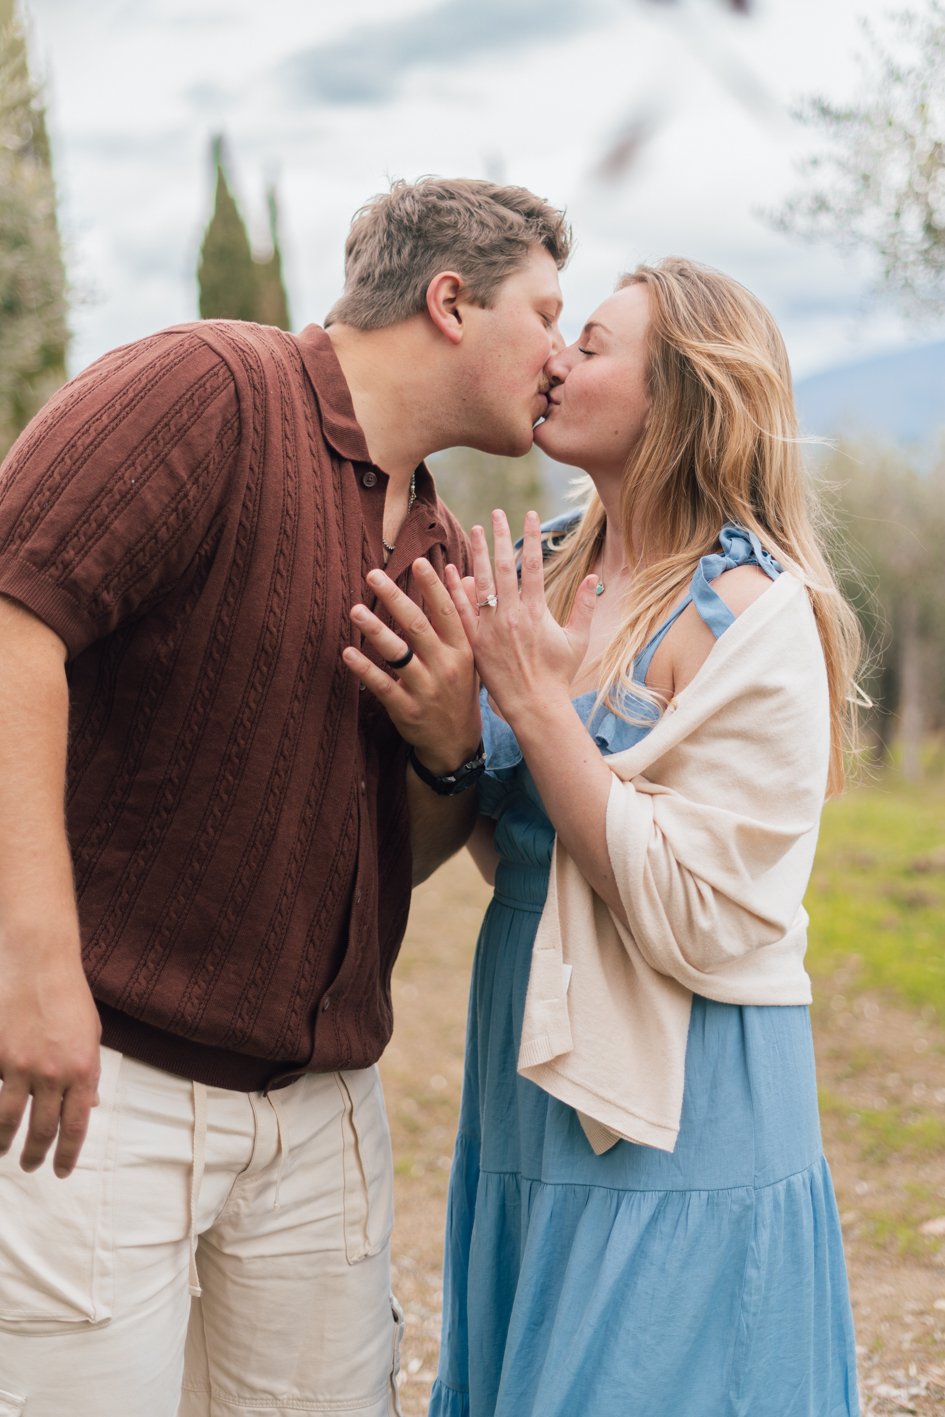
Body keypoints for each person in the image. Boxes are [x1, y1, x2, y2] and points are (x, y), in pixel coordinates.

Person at [0, 177, 569, 1417]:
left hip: (322, 1122)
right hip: (102, 1088)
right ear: (452, 301)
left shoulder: (439, 550)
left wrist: (442, 750)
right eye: (547, 313)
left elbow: (396, 852)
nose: (563, 356)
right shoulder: (208, 390)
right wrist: (32, 961)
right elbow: (11, 625)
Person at [426, 257, 863, 1416]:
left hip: (684, 1092)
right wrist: (438, 722)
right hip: (529, 1053)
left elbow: (698, 916)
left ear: (681, 401)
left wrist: (528, 702)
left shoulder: (761, 613)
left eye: (597, 343)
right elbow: (525, 852)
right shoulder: (551, 569)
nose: (558, 356)